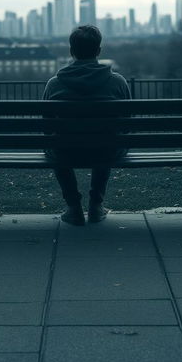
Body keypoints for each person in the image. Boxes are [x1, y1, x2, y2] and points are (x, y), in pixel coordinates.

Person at [43, 25, 131, 225]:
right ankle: (95, 205)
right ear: (98, 51)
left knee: (56, 146)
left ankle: (74, 207)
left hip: (66, 152)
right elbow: (127, 121)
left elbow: (46, 126)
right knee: (107, 140)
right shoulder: (117, 82)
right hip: (105, 151)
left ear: (71, 51)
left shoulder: (54, 84)